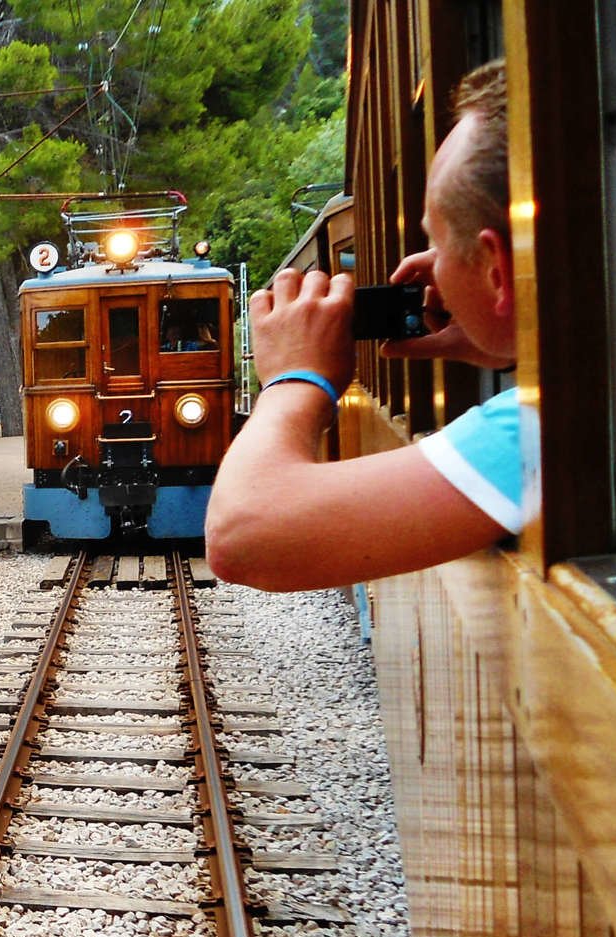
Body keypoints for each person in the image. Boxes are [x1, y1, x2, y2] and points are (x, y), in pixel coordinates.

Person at [206, 60, 518, 591]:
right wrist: (510, 336)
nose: (426, 266)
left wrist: (293, 380)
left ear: (496, 270)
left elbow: (243, 536)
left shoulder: (569, 427)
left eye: (437, 243)